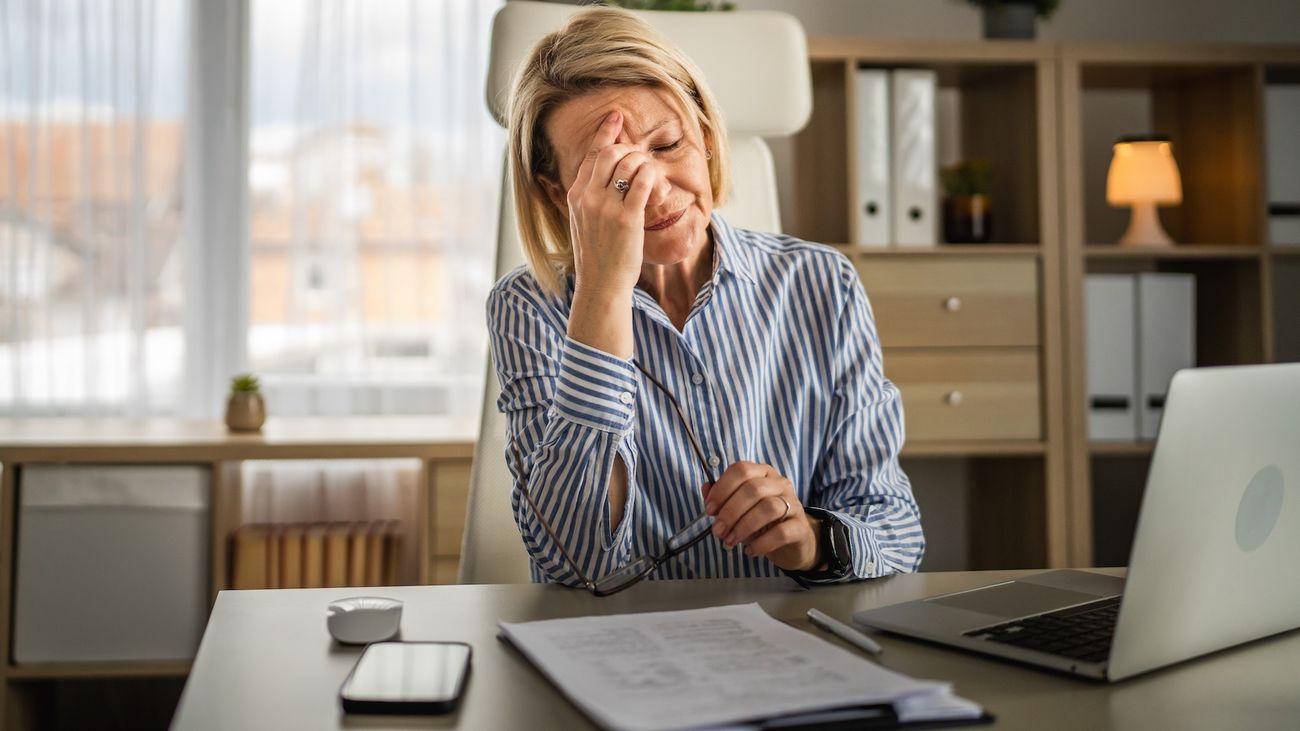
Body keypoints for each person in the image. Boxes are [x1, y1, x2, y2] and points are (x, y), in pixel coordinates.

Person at [488, 5, 923, 590]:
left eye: (667, 145)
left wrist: (813, 540)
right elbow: (573, 562)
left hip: (794, 648)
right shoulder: (528, 306)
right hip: (618, 654)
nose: (655, 192)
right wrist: (603, 292)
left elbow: (897, 533)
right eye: (613, 175)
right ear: (558, 193)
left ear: (708, 136)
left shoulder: (823, 284)